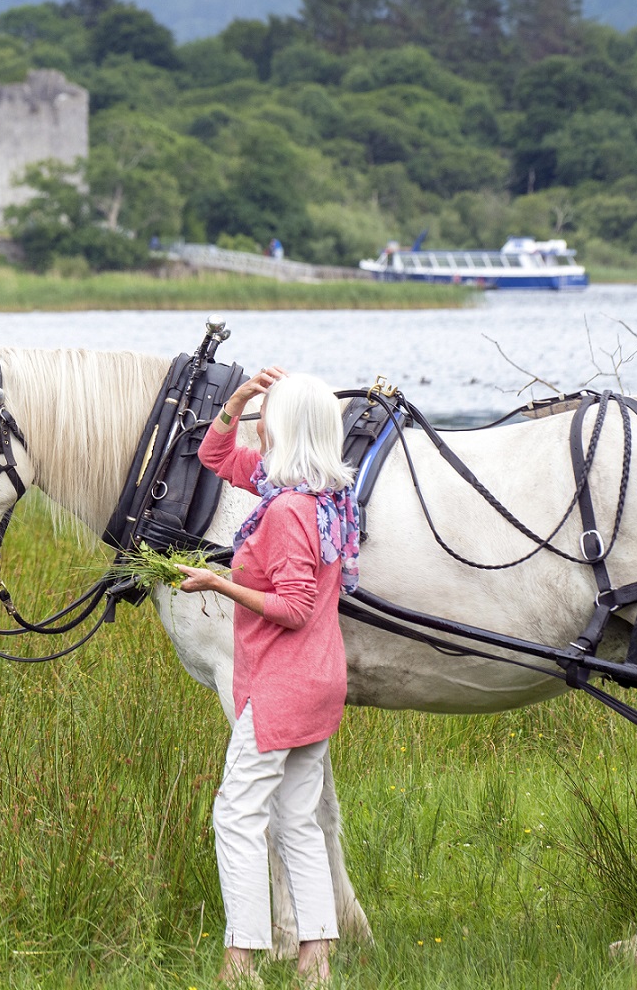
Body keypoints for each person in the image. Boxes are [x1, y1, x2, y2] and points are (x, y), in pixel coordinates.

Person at [177, 367, 356, 985]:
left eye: (268, 415)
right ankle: (317, 960)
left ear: (286, 429)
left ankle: (241, 960)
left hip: (282, 683)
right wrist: (240, 397)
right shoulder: (323, 496)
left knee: (236, 813)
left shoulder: (284, 513)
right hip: (320, 678)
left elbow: (295, 606)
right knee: (297, 818)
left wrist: (218, 582)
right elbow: (213, 454)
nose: (261, 424)